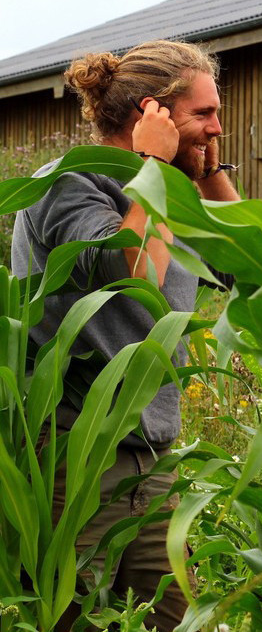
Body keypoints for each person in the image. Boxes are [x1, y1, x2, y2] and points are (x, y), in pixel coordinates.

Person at [11, 40, 239, 630]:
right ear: (151, 116)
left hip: (153, 456)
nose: (219, 126)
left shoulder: (175, 195)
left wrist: (206, 168)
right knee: (68, 617)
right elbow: (135, 275)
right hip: (74, 454)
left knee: (172, 615)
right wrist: (158, 169)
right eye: (204, 115)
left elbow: (248, 268)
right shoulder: (66, 184)